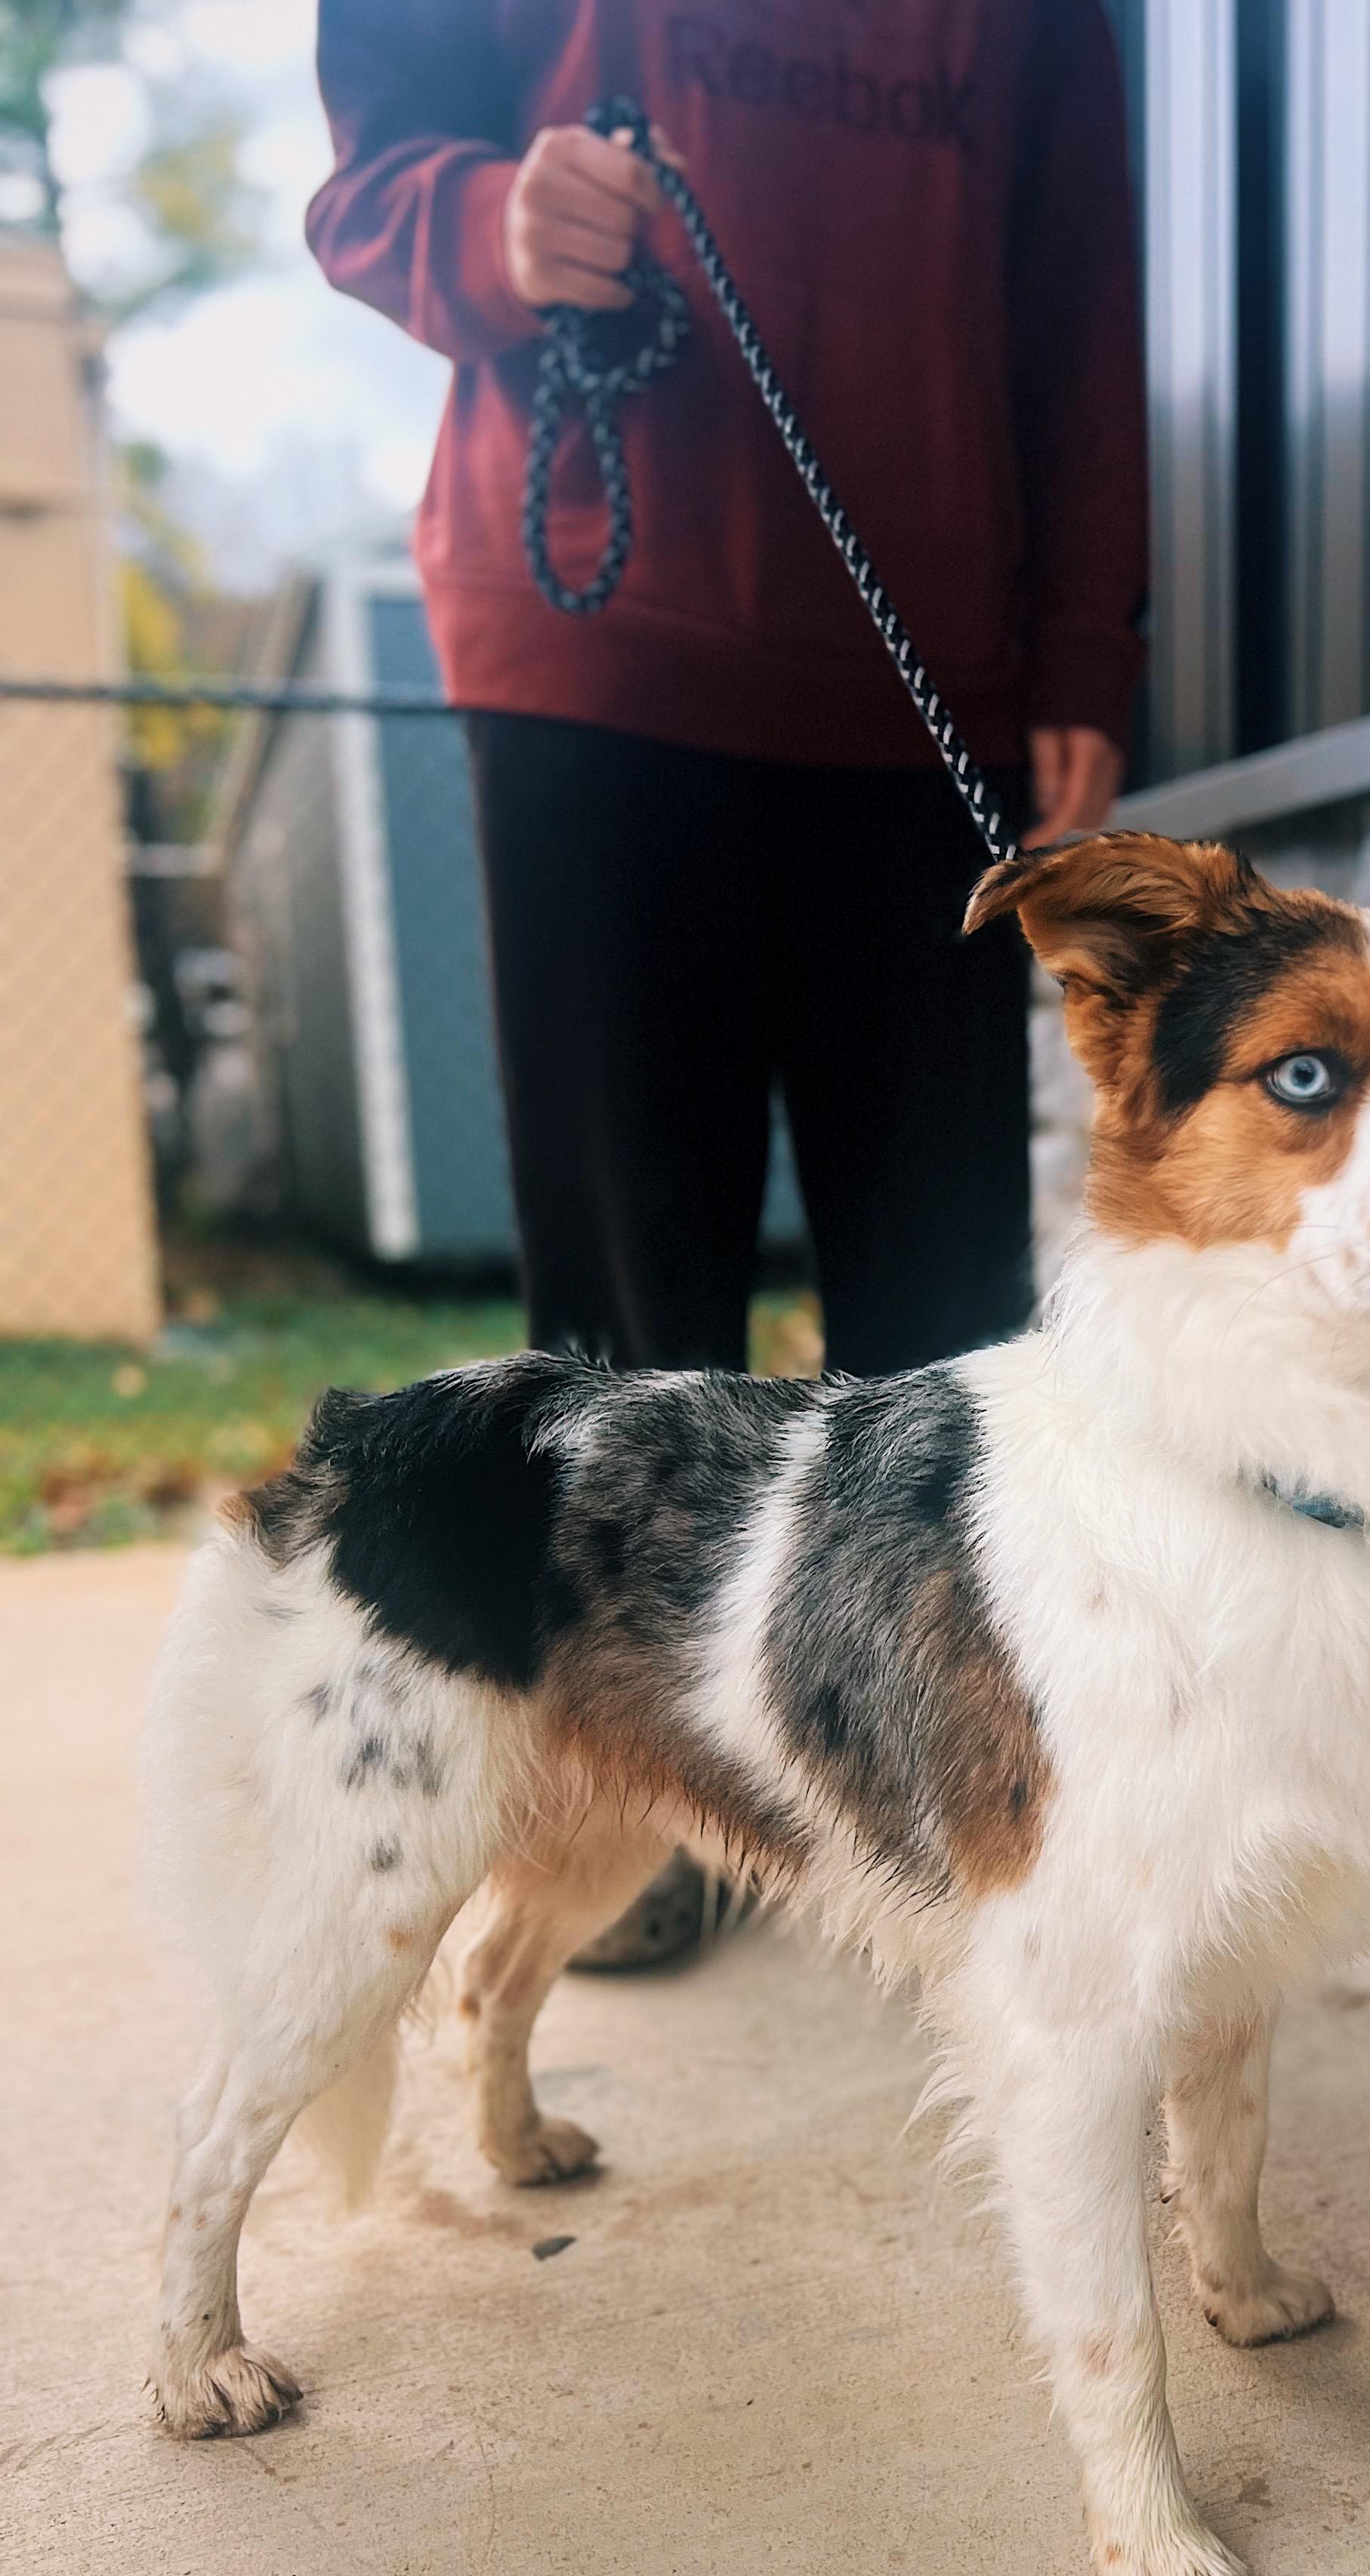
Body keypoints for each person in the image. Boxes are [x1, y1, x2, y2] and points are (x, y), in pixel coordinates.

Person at [305, 1, 1146, 1959]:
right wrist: (483, 224)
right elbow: (369, 171)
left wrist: (1087, 653)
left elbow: (1079, 302)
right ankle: (636, 1813)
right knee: (624, 1306)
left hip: (927, 680)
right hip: (599, 647)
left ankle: (942, 1789)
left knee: (947, 1322)